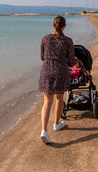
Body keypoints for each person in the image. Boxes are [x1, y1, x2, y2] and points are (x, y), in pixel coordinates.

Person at [39, 16, 79, 144]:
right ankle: (56, 123)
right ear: (64, 26)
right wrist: (77, 63)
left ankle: (44, 130)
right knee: (59, 98)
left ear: (53, 25)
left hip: (47, 70)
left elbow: (42, 57)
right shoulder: (68, 41)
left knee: (47, 101)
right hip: (61, 71)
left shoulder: (45, 38)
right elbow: (71, 60)